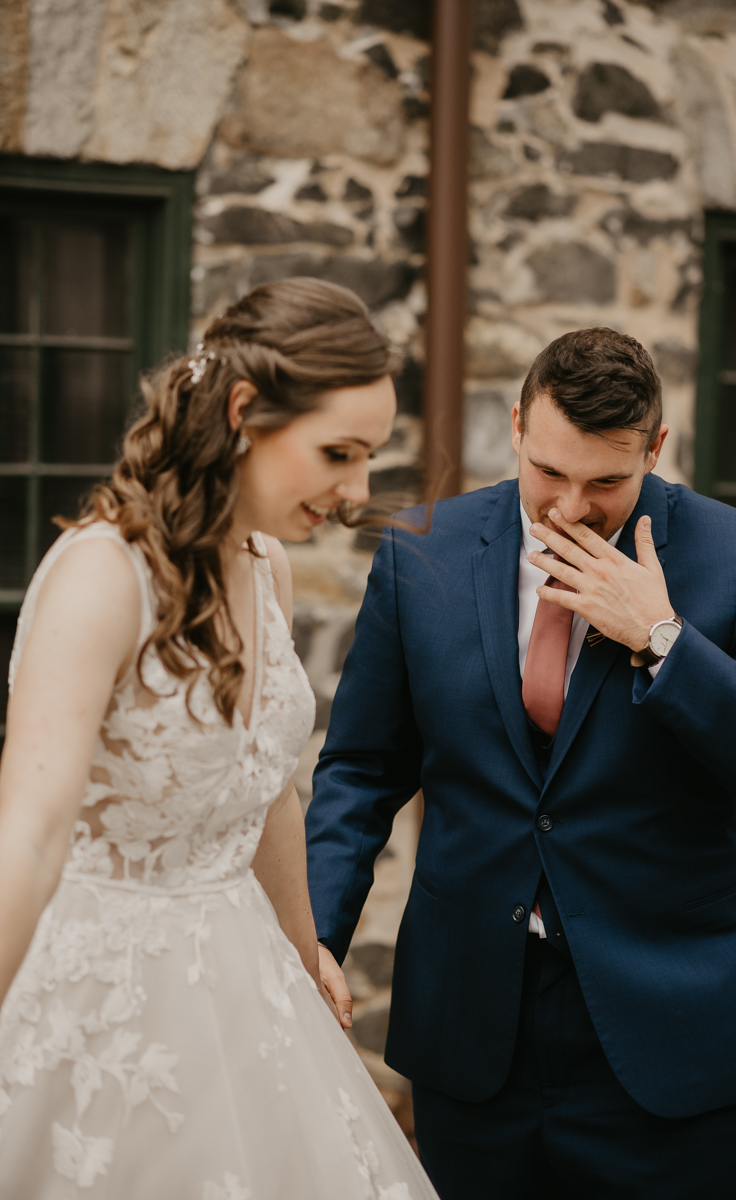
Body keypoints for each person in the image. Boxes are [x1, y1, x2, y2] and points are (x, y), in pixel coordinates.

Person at [306, 326, 736, 1200]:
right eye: (549, 473)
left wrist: (663, 639)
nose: (571, 507)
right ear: (517, 426)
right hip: (475, 1029)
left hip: (679, 1032)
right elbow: (362, 768)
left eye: (607, 481)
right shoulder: (422, 548)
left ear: (655, 447)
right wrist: (311, 938)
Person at [0, 279, 439, 1200]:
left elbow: (267, 789)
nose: (357, 493)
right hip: (99, 994)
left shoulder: (264, 565)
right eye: (338, 453)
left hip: (243, 985)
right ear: (245, 412)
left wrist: (304, 945)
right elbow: (30, 838)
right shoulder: (99, 575)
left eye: (370, 458)